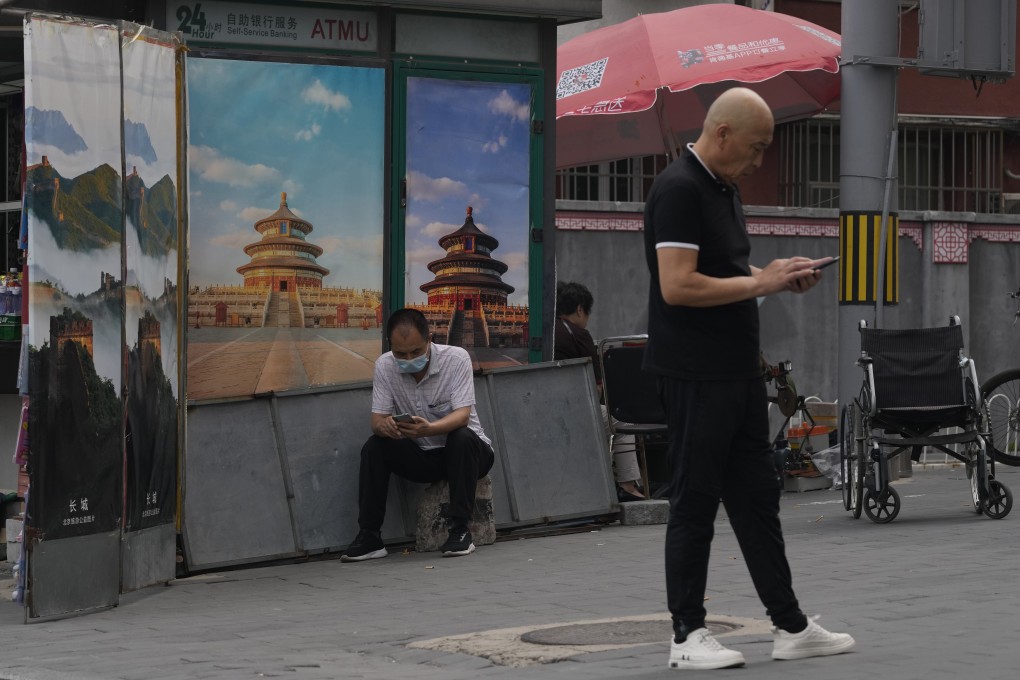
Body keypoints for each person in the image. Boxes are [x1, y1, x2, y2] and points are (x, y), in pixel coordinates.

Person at [642, 87, 854, 670]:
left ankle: (790, 626)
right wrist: (761, 283)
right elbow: (677, 285)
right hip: (694, 374)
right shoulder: (680, 189)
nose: (760, 161)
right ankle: (687, 635)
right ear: (723, 133)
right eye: (756, 148)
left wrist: (777, 274)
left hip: (736, 373)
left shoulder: (722, 188)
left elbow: (727, 271)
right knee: (695, 502)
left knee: (758, 501)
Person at [341, 308, 495, 562]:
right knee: (375, 446)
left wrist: (430, 428)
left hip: (470, 456)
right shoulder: (385, 365)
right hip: (423, 454)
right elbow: (376, 421)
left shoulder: (456, 359)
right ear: (390, 346)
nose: (409, 359)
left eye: (415, 351)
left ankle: (460, 530)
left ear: (429, 339)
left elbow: (462, 415)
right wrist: (386, 426)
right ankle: (369, 536)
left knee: (461, 436)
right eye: (401, 354)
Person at [554, 281, 646, 501]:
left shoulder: (545, 331)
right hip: (571, 410)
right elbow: (596, 388)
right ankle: (627, 485)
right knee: (621, 420)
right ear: (579, 309)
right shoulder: (579, 335)